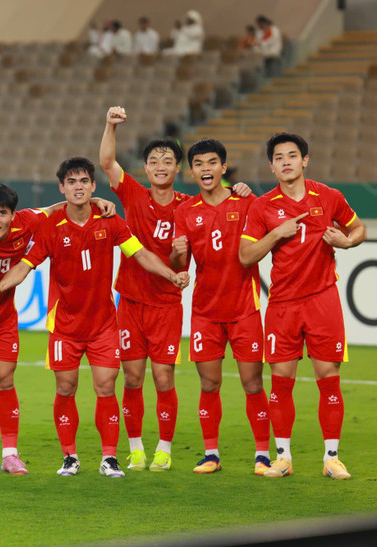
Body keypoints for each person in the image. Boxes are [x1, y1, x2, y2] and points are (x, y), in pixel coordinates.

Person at [0, 157, 189, 478]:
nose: (78, 187)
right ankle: (70, 457)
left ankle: (109, 457)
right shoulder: (50, 227)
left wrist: (170, 273)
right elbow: (26, 266)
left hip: (104, 324)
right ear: (62, 188)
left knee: (106, 386)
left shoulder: (111, 221)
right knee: (65, 388)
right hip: (65, 325)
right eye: (71, 182)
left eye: (84, 182)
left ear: (93, 186)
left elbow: (140, 254)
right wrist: (0, 285)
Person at [100, 106, 252, 472]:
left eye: (168, 160)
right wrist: (110, 125)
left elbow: (222, 207)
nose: (161, 166)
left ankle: (164, 448)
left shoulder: (188, 206)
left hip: (167, 304)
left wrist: (239, 189)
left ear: (178, 169)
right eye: (154, 161)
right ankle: (136, 448)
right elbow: (107, 162)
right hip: (131, 301)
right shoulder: (133, 194)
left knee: (163, 377)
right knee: (133, 377)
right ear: (147, 169)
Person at [0, 183, 117, 477]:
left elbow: (56, 208)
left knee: (4, 380)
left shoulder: (28, 221)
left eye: (2, 213)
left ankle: (10, 455)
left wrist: (95, 199)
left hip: (2, 317)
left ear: (14, 215)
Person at [239, 132, 367, 480]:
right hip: (282, 304)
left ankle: (331, 458)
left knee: (329, 378)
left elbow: (358, 228)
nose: (286, 162)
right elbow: (245, 255)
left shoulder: (328, 196)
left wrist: (347, 241)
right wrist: (276, 234)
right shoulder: (261, 206)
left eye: (292, 156)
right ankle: (283, 458)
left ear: (304, 160)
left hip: (323, 299)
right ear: (271, 165)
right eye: (279, 157)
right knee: (281, 380)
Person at [170, 139, 271, 475]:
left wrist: (247, 192)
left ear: (223, 168)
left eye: (212, 163)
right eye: (198, 164)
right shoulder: (185, 212)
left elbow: (266, 235)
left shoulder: (246, 202)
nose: (206, 169)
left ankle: (262, 455)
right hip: (205, 312)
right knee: (209, 384)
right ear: (192, 171)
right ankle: (211, 454)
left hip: (245, 308)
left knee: (253, 383)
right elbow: (179, 264)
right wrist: (176, 252)